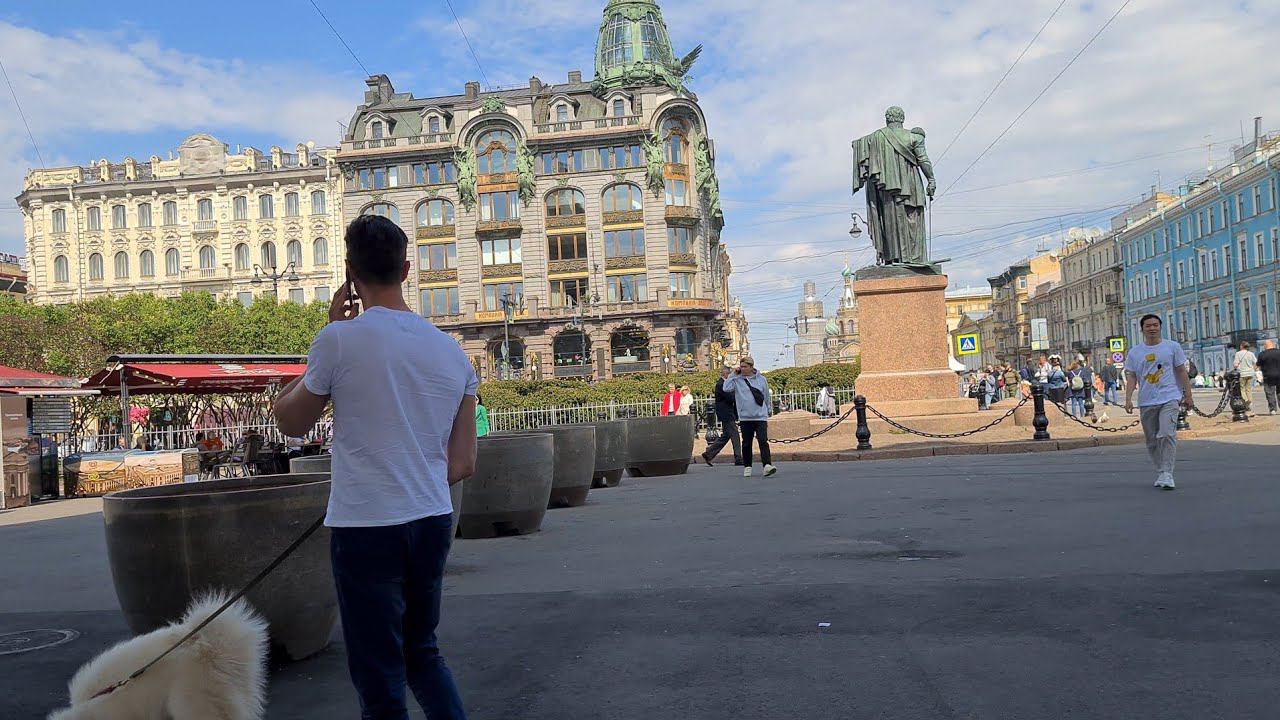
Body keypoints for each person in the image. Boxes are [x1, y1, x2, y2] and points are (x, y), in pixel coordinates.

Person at [272, 214, 475, 719]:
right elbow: (463, 461)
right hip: (430, 520)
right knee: (423, 655)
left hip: (366, 527)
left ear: (350, 274)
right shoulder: (453, 355)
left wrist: (330, 333)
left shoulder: (339, 340)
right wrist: (414, 479)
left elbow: (291, 422)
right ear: (407, 269)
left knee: (378, 673)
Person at [1124, 313, 1194, 490]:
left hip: (1170, 397)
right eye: (1148, 326)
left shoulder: (1172, 347)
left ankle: (1168, 473)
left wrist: (1188, 395)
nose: (1152, 328)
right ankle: (1161, 471)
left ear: (1160, 327)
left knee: (1167, 433)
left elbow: (1181, 371)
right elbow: (1132, 376)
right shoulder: (1135, 352)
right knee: (1152, 440)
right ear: (1142, 329)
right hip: (1146, 400)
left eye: (1155, 325)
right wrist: (1128, 399)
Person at [723, 356, 776, 477]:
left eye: (744, 367)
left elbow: (766, 395)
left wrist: (767, 410)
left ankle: (767, 465)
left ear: (751, 367)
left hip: (760, 416)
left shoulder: (762, 379)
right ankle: (748, 466)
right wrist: (732, 374)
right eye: (741, 367)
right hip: (745, 417)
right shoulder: (737, 379)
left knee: (763, 441)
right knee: (747, 443)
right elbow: (726, 388)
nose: (742, 369)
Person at [701, 366, 743, 467]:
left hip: (727, 413)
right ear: (725, 374)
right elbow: (730, 398)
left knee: (726, 436)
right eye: (728, 373)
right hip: (726, 414)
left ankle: (708, 454)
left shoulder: (723, 383)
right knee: (735, 435)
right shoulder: (721, 384)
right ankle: (738, 458)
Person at [1233, 341, 1258, 413]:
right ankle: (1249, 402)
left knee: (1242, 389)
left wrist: (1237, 365)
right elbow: (1256, 363)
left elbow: (1235, 365)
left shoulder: (1238, 354)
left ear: (1241, 346)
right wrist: (1254, 369)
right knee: (1249, 389)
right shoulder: (1251, 354)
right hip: (1250, 374)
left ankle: (1246, 400)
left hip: (1242, 374)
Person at [1257, 340, 1280, 415]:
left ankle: (1273, 409)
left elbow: (1258, 366)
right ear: (1273, 345)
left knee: (1270, 393)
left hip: (1268, 376)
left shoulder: (1262, 354)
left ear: (1265, 346)